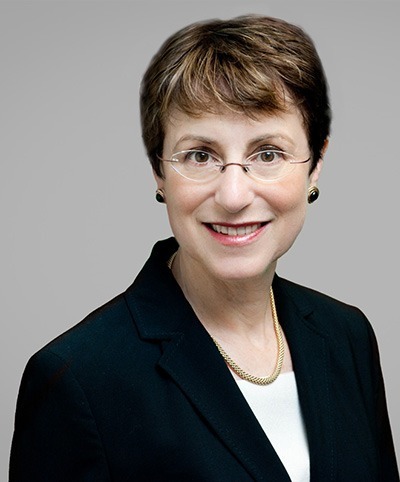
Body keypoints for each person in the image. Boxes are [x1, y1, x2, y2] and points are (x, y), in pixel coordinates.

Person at [9, 14, 398, 482]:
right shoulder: (78, 380)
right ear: (159, 172)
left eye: (268, 153)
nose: (233, 196)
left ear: (315, 166)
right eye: (200, 155)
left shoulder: (347, 337)